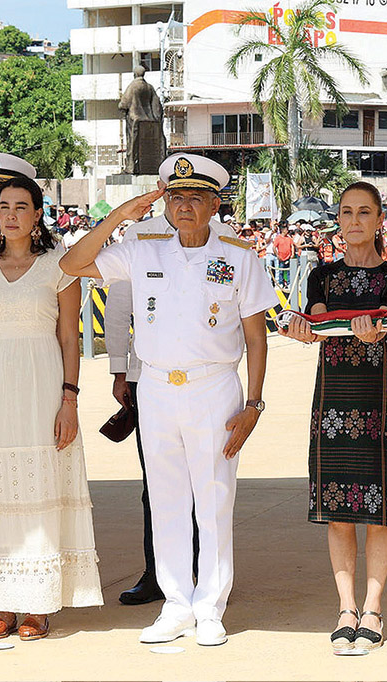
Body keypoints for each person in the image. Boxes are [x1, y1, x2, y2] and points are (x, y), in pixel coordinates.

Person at [60, 153, 277, 647]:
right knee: (166, 500)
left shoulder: (239, 254)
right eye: (175, 197)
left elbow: (256, 337)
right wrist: (119, 217)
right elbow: (71, 264)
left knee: (214, 499)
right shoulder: (143, 248)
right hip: (156, 386)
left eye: (196, 197)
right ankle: (176, 604)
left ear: (215, 205)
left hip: (214, 387)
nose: (184, 206)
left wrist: (255, 404)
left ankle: (210, 607)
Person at [0, 176, 102, 641]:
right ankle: (1, 602)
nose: (11, 214)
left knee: (40, 488)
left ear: (38, 214)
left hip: (42, 388)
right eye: (4, 206)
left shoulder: (60, 266)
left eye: (21, 206)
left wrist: (69, 400)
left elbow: (69, 339)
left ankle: (37, 603)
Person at [279, 182, 387, 652]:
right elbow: (318, 322)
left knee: (379, 512)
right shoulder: (321, 275)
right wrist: (303, 330)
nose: (354, 221)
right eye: (347, 212)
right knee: (338, 513)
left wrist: (372, 330)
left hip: (381, 400)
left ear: (380, 220)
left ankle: (373, 608)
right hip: (333, 400)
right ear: (338, 219)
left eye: (364, 212)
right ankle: (345, 609)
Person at [104, 201, 234, 606]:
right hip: (150, 376)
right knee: (158, 487)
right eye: (173, 191)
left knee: (209, 485)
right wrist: (119, 368)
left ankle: (208, 577)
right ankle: (158, 574)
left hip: (208, 381)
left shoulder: (225, 240)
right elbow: (119, 306)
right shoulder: (139, 237)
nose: (182, 201)